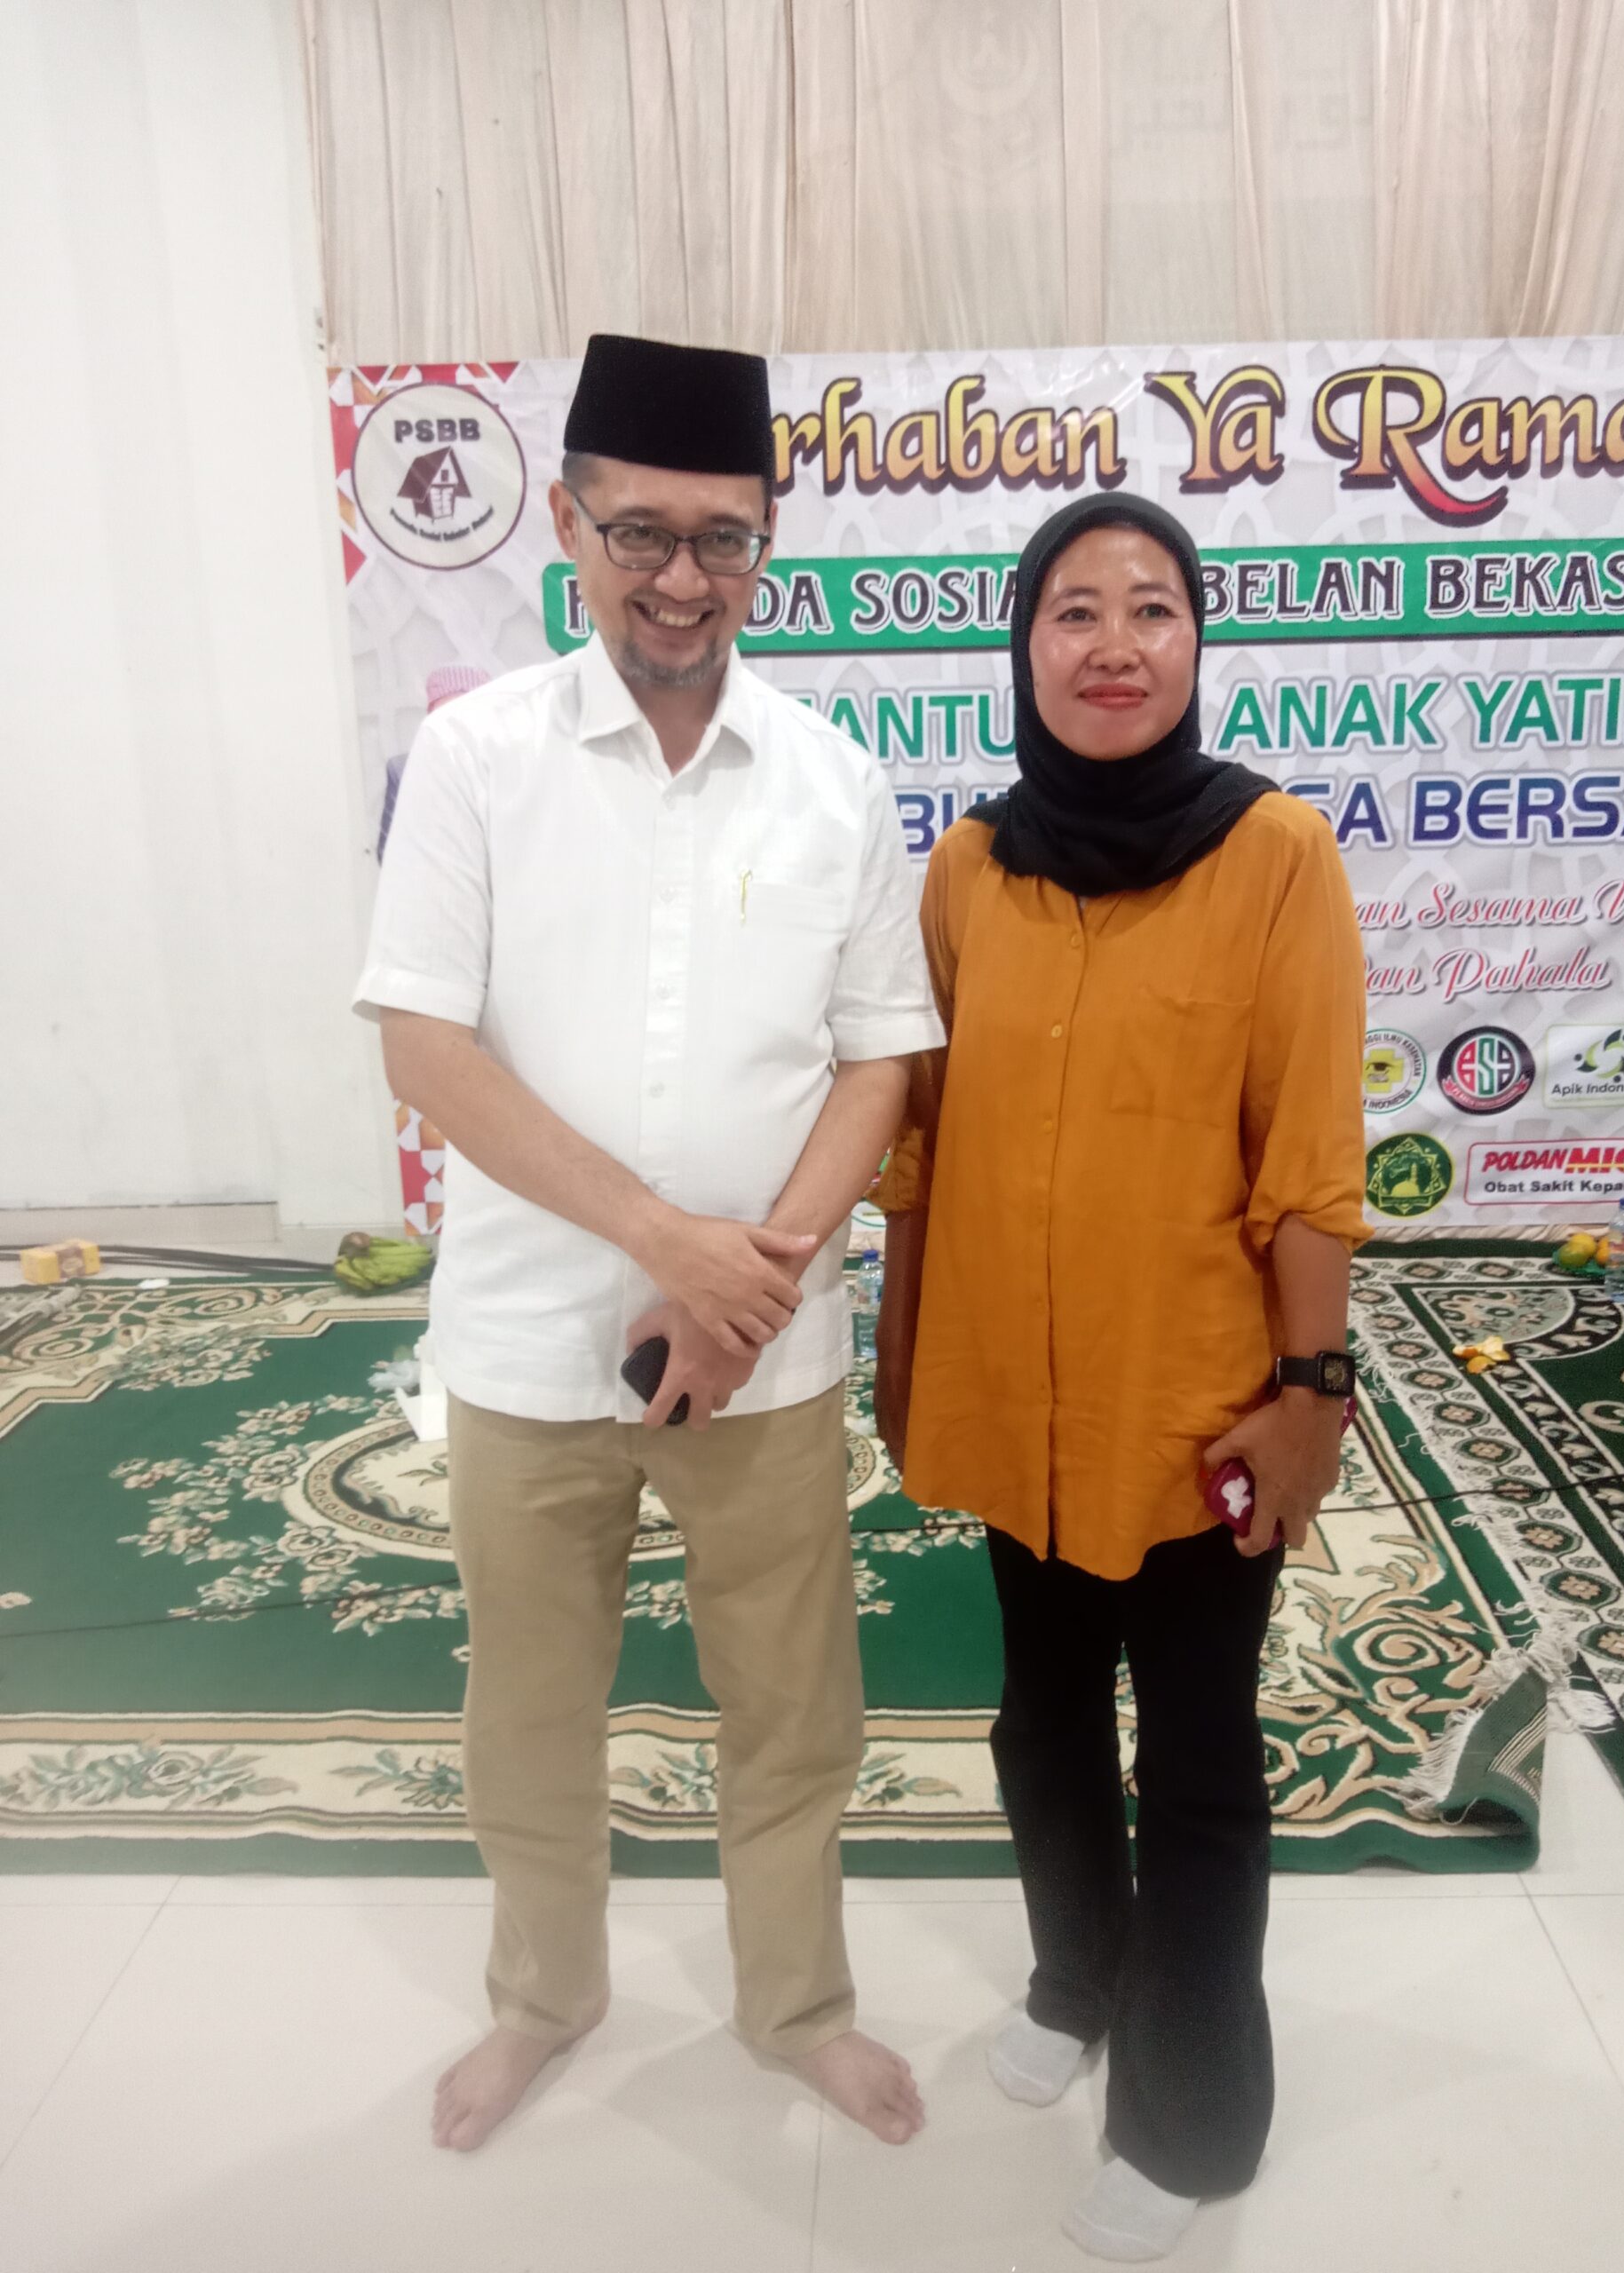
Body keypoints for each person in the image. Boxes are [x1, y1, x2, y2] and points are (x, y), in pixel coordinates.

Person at [354, 333, 943, 2153]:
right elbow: (424, 1044)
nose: (681, 577)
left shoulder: (834, 780)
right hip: (531, 1340)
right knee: (530, 1709)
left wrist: (742, 1284)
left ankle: (798, 2005)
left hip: (766, 1352)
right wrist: (665, 1243)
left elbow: (882, 1055)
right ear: (568, 523)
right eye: (641, 534)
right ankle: (543, 1999)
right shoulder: (474, 759)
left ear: (767, 541)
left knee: (796, 1704)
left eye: (722, 538)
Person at [875, 495, 1368, 2261]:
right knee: (1043, 1717)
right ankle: (1077, 1975)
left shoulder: (1276, 853)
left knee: (1204, 1760)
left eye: (1151, 607)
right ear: (1022, 647)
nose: (1111, 643)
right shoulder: (969, 868)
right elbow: (925, 1139)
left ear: (1196, 643)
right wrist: (904, 1350)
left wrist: (1311, 1390)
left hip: (1198, 1412)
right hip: (1017, 1400)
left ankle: (1195, 2118)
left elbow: (1310, 1161)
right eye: (1072, 609)